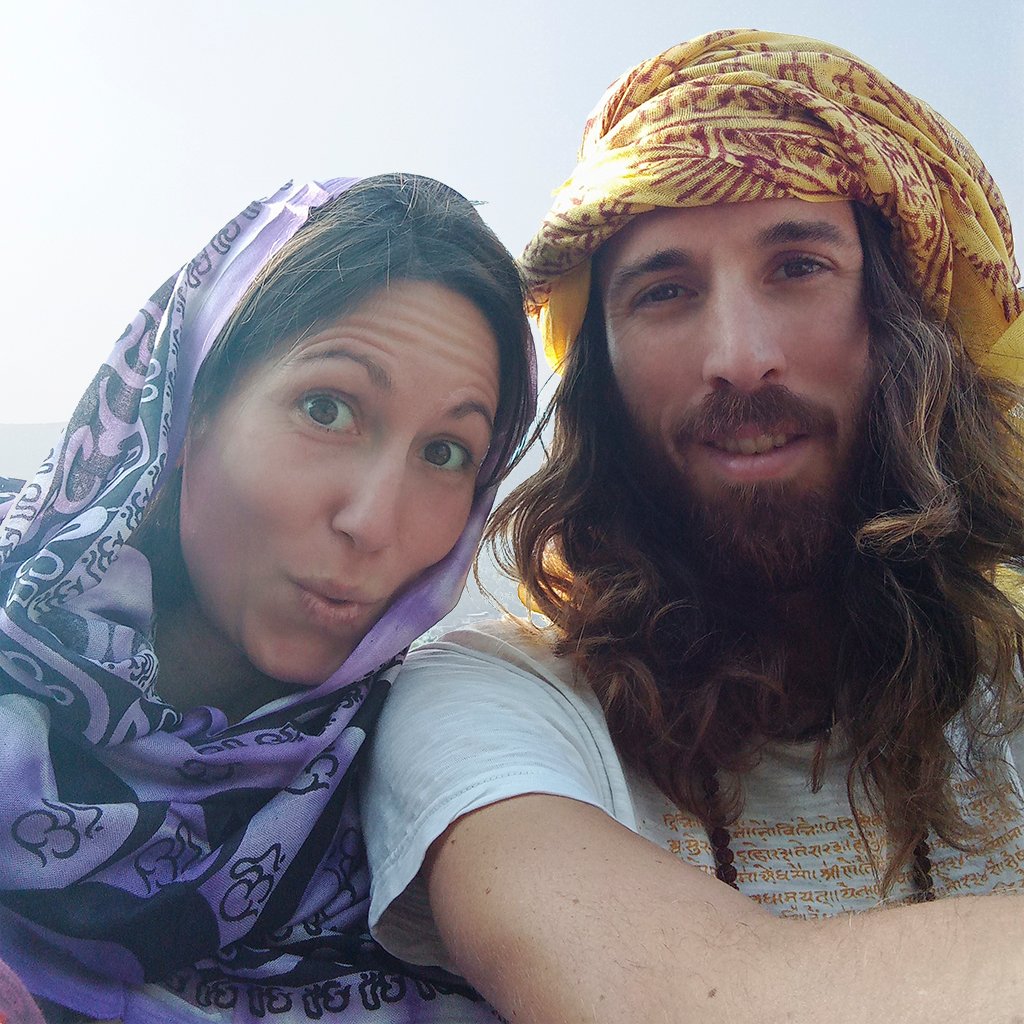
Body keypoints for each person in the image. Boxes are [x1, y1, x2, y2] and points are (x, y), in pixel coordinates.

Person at [362, 31, 1024, 1023]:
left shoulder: (1004, 683)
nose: (739, 357)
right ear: (600, 374)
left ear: (908, 327)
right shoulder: (499, 702)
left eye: (798, 266)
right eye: (664, 292)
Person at [0, 173, 535, 1022]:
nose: (373, 522)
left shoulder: (425, 805)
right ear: (191, 406)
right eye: (327, 409)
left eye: (445, 453)